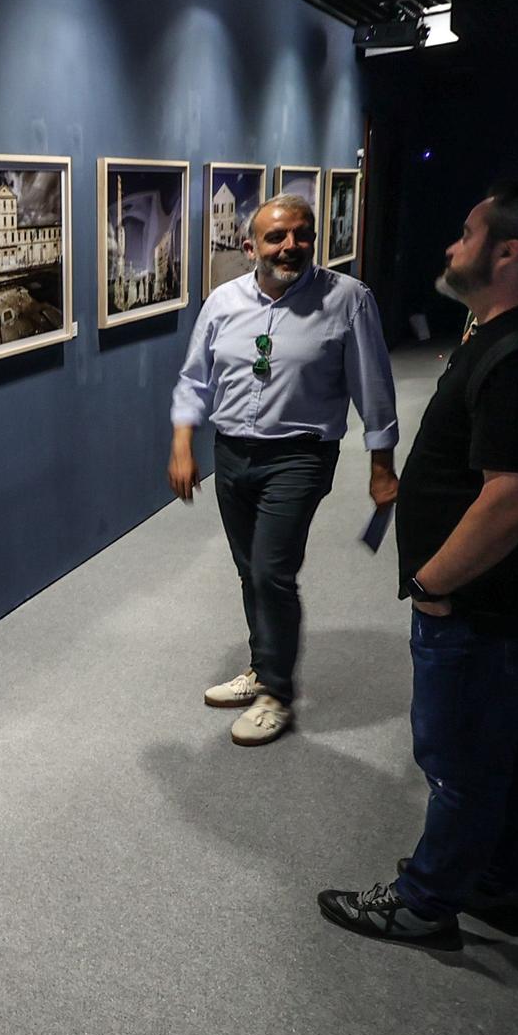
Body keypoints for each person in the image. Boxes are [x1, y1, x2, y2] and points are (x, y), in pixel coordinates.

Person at [319, 174, 518, 947]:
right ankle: (498, 880)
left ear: (508, 252)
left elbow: (514, 499)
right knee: (516, 739)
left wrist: (431, 582)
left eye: (468, 234)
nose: (452, 246)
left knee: (462, 762)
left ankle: (424, 900)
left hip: (489, 605)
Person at [169, 194, 399, 745]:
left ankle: (277, 691)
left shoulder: (347, 299)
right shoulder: (223, 302)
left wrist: (382, 465)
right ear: (251, 247)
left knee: (272, 570)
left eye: (301, 234)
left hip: (300, 455)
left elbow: (374, 388)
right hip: (231, 453)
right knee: (250, 570)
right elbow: (195, 378)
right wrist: (183, 442)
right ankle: (261, 664)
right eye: (276, 237)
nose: (290, 245)